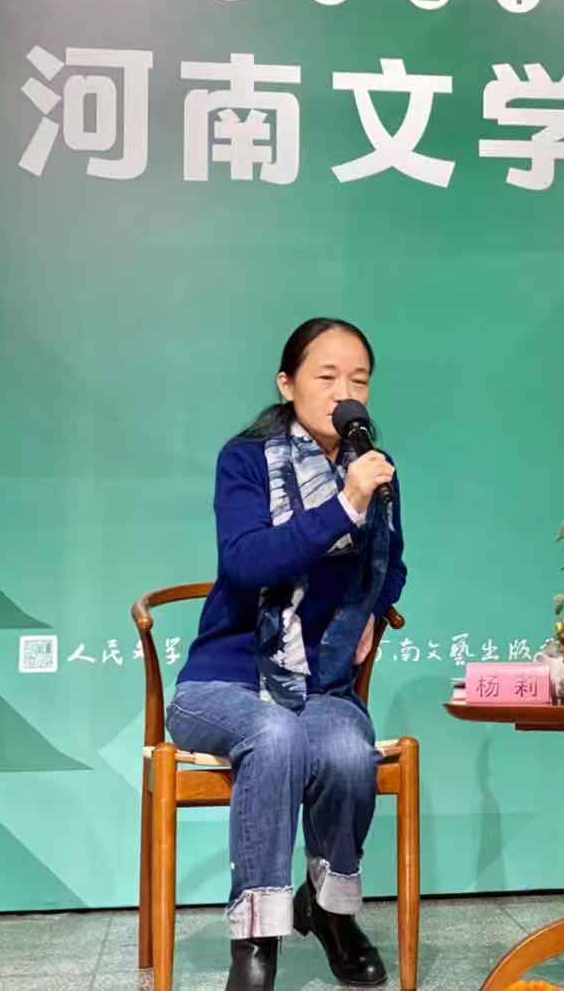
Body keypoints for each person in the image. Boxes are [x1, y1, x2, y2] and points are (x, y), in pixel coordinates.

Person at [168, 317, 406, 991]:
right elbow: (246, 564)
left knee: (347, 753)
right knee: (273, 734)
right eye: (326, 376)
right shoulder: (246, 460)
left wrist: (370, 610)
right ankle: (255, 939)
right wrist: (344, 504)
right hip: (226, 682)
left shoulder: (374, 468)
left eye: (358, 380)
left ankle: (329, 912)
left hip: (321, 684)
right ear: (287, 383)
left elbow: (392, 562)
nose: (343, 392)